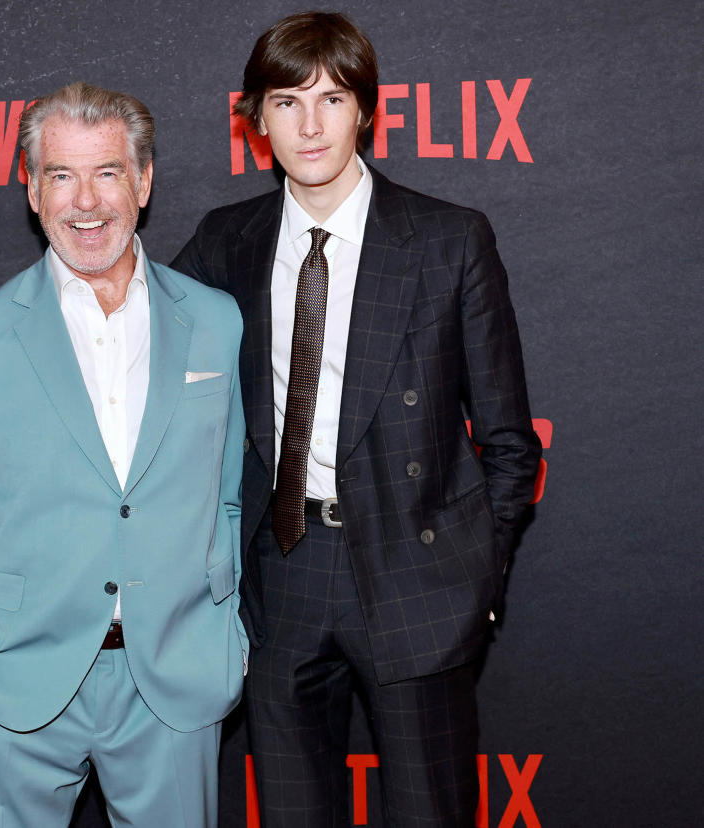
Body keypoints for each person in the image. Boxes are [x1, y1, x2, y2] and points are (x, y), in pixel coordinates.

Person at [172, 12, 541, 827]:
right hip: (282, 572)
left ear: (366, 111)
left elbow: (510, 443)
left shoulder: (448, 240)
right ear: (255, 118)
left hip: (416, 574)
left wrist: (478, 582)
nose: (310, 124)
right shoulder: (224, 242)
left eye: (332, 99)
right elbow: (147, 369)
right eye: (286, 101)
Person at [0, 82, 247, 828]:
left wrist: (223, 632)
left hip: (174, 678)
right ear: (32, 190)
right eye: (61, 175)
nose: (86, 201)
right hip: (12, 678)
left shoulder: (212, 320)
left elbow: (229, 495)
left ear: (142, 182)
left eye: (107, 172)